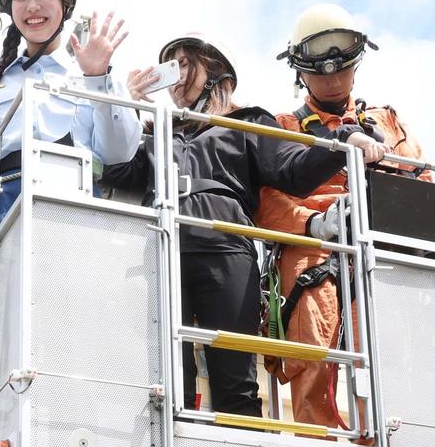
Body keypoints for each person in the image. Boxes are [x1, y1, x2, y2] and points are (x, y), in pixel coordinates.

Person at [101, 34, 387, 417]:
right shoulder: (156, 133)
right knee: (168, 374)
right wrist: (123, 106)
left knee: (235, 377)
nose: (177, 76)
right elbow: (117, 170)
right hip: (162, 243)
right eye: (172, 67)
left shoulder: (248, 122)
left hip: (226, 246)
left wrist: (341, 139)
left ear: (218, 73)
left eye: (187, 64)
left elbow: (294, 171)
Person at [0, 0, 140, 317]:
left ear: (65, 3)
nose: (32, 6)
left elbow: (120, 150)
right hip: (0, 200)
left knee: (73, 315)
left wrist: (98, 78)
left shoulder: (89, 72)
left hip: (72, 201)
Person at [257, 5, 426, 428]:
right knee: (313, 344)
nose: (333, 81)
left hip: (381, 250)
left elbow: (419, 178)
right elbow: (266, 203)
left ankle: (389, 442)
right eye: (321, 74)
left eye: (341, 71)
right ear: (300, 74)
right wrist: (316, 223)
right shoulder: (282, 126)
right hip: (312, 250)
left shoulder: (386, 121)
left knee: (393, 355)